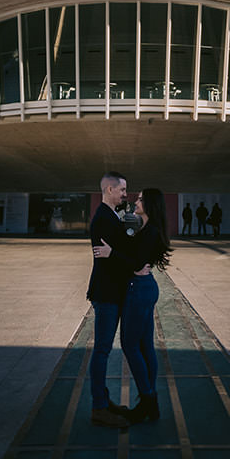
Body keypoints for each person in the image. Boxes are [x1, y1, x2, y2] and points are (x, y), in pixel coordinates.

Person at [111, 186, 169, 424]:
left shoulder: (150, 231)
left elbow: (136, 262)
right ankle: (150, 401)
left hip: (139, 289)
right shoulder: (147, 229)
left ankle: (147, 400)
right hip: (145, 288)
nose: (136, 201)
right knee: (145, 347)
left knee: (129, 345)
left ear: (150, 205)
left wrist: (110, 253)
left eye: (141, 199)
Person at [87, 171, 135, 428]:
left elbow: (118, 251)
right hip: (106, 294)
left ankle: (103, 400)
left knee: (103, 350)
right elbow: (115, 256)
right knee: (102, 351)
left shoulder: (110, 216)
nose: (126, 194)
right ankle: (99, 408)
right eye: (122, 190)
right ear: (109, 190)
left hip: (111, 292)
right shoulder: (104, 219)